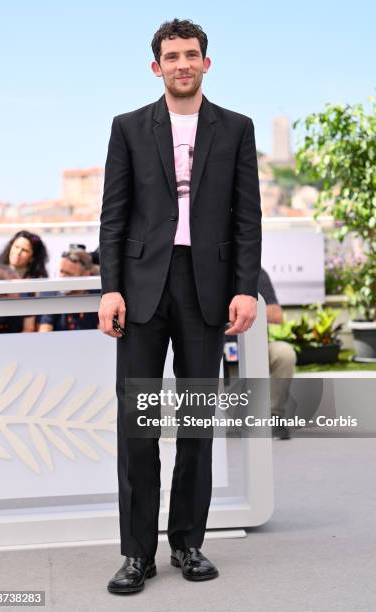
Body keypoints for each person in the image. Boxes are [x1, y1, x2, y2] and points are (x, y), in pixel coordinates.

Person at [98, 18, 262, 594]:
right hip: (141, 291)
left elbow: (248, 217)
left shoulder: (236, 129)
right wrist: (109, 286)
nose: (182, 64)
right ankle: (136, 554)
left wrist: (246, 287)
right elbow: (113, 215)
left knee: (196, 424)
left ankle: (189, 543)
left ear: (206, 63)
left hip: (207, 291)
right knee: (138, 426)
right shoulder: (128, 128)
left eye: (191, 55)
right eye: (172, 56)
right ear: (157, 67)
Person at [225, 267, 297, 439]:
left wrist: (246, 308)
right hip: (219, 352)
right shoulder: (202, 270)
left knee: (284, 353)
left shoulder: (254, 273)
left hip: (256, 348)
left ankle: (274, 417)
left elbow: (277, 314)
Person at [0, 230, 49, 332]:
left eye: (24, 250)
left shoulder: (33, 284)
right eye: (16, 247)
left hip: (12, 336)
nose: (18, 253)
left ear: (32, 258)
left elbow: (29, 327)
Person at [38, 250, 99, 332]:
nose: (62, 277)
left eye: (69, 274)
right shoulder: (51, 294)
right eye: (61, 271)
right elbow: (44, 332)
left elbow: (104, 335)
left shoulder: (97, 297)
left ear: (86, 275)